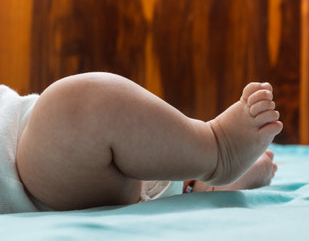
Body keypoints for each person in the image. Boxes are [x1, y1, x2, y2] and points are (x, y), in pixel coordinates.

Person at [0, 72, 283, 213]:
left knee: (79, 108)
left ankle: (200, 175)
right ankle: (217, 150)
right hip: (35, 177)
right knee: (74, 107)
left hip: (31, 130)